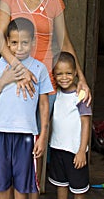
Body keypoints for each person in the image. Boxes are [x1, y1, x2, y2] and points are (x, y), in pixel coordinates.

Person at [0, 0, 91, 185]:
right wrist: (20, 69)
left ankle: (35, 189)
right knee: (16, 141)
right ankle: (15, 187)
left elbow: (65, 42)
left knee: (40, 140)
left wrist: (82, 79)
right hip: (15, 82)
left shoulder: (55, 3)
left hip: (46, 81)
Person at [0, 17, 53, 199]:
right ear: (7, 42)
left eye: (24, 43)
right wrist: (5, 80)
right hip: (1, 131)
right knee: (1, 180)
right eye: (14, 43)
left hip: (27, 134)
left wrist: (43, 135)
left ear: (33, 42)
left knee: (23, 183)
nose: (19, 48)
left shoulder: (39, 68)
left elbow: (44, 105)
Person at [48, 51, 92, 199]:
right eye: (59, 74)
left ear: (75, 73)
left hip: (75, 151)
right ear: (53, 74)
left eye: (68, 73)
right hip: (57, 148)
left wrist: (81, 151)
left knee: (78, 189)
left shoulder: (80, 95)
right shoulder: (55, 94)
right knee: (61, 185)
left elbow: (86, 124)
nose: (64, 77)